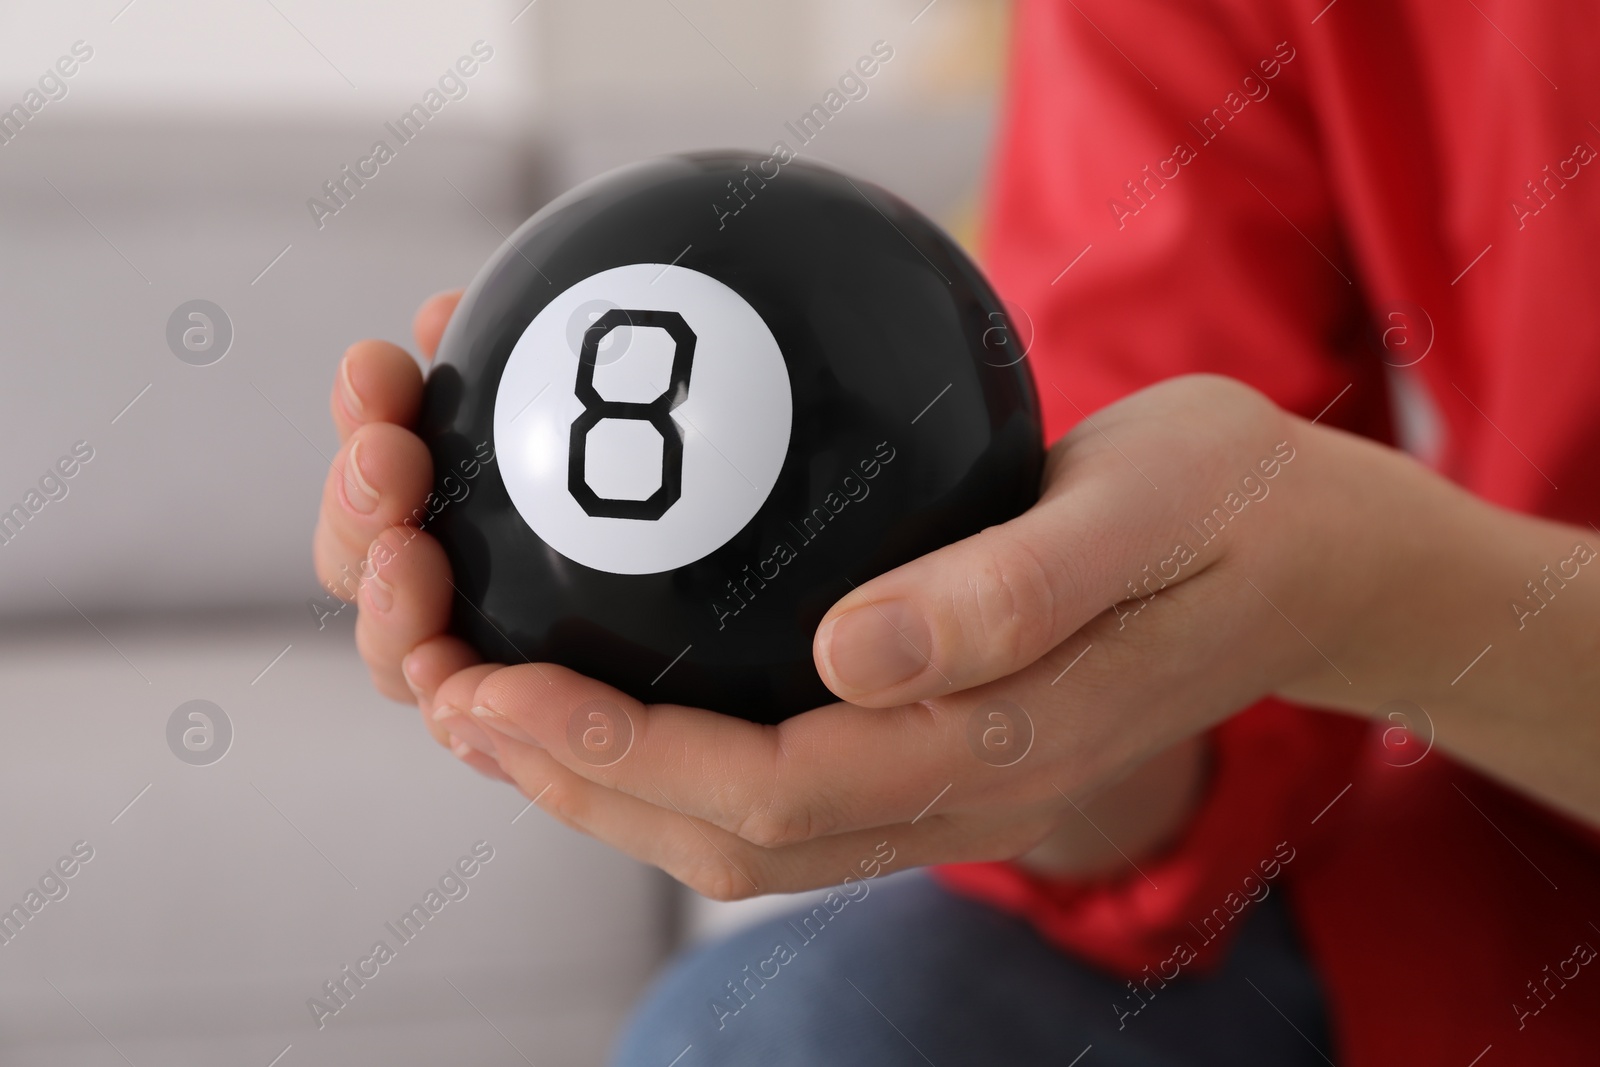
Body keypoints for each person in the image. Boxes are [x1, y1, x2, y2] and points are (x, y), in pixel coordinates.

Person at [312, 1, 1600, 1062]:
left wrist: (1367, 590)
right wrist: (1036, 721)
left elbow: (1309, 571)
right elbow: (1169, 671)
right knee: (775, 1038)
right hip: (1497, 895)